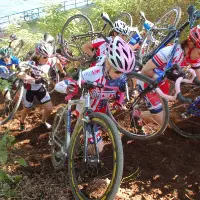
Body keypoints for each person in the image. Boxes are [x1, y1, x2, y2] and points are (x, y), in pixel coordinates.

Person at [56, 36, 135, 153]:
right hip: (85, 112)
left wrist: (119, 101)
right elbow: (59, 85)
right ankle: (78, 150)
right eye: (117, 71)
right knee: (98, 148)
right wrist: (68, 88)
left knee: (101, 140)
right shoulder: (92, 73)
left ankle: (83, 142)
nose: (120, 75)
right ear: (108, 63)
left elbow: (121, 90)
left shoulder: (121, 77)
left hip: (101, 114)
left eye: (124, 73)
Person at [136, 25, 200, 126]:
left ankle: (142, 117)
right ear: (191, 45)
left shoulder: (191, 56)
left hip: (162, 85)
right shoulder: (169, 53)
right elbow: (145, 70)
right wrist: (165, 76)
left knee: (163, 117)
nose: (199, 57)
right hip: (147, 83)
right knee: (163, 122)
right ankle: (137, 115)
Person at [20, 41, 57, 131]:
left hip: (40, 87)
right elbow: (20, 74)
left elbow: (57, 61)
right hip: (29, 89)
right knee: (27, 109)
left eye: (49, 56)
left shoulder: (49, 60)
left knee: (49, 109)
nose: (47, 59)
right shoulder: (30, 63)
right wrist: (34, 80)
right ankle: (22, 121)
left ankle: (43, 122)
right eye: (44, 57)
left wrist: (62, 72)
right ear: (38, 55)